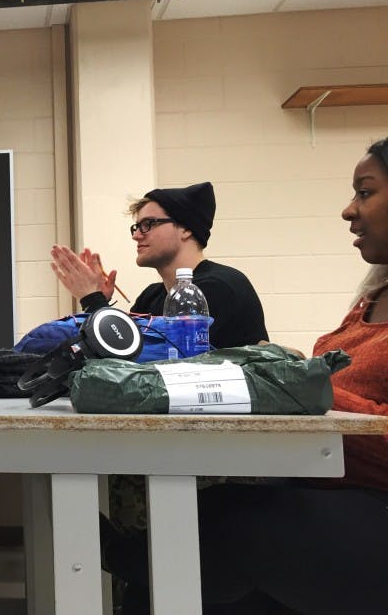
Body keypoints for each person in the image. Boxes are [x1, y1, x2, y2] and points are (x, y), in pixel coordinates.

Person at [106, 139, 388, 614]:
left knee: (218, 526)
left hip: (366, 497)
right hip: (318, 478)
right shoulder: (371, 299)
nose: (348, 210)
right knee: (198, 522)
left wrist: (302, 383)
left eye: (366, 192)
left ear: (187, 230)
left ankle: (119, 563)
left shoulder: (218, 285)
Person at [50, 181, 269, 350]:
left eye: (148, 224)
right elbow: (122, 356)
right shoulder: (152, 295)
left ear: (186, 229)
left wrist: (93, 300)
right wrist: (100, 301)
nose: (136, 235)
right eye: (136, 226)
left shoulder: (219, 286)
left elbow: (150, 358)